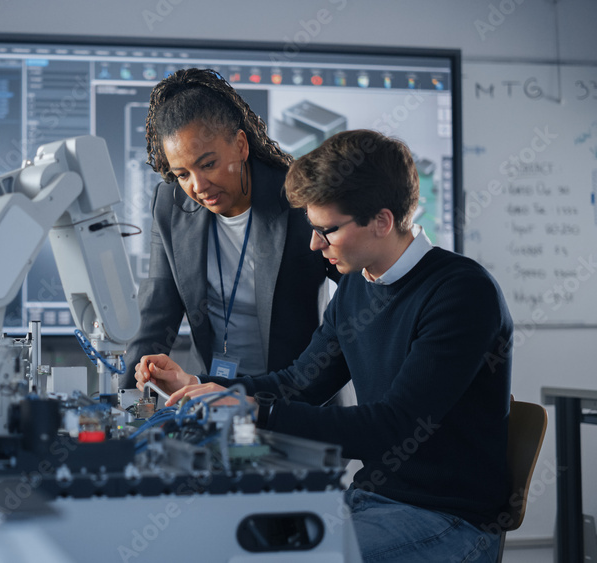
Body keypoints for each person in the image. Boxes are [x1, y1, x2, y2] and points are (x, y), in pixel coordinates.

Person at [136, 129, 513, 562]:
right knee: (220, 544)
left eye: (326, 231)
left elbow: (393, 427)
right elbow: (301, 382)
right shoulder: (356, 285)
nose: (315, 244)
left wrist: (259, 411)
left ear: (382, 221)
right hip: (371, 500)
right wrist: (204, 387)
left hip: (448, 520)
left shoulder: (461, 294)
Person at [125, 68, 337, 389]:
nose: (198, 186)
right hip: (211, 390)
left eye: (208, 164)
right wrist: (126, 397)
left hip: (297, 395)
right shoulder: (170, 205)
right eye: (182, 174)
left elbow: (358, 295)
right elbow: (156, 314)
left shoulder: (298, 199)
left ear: (240, 145)